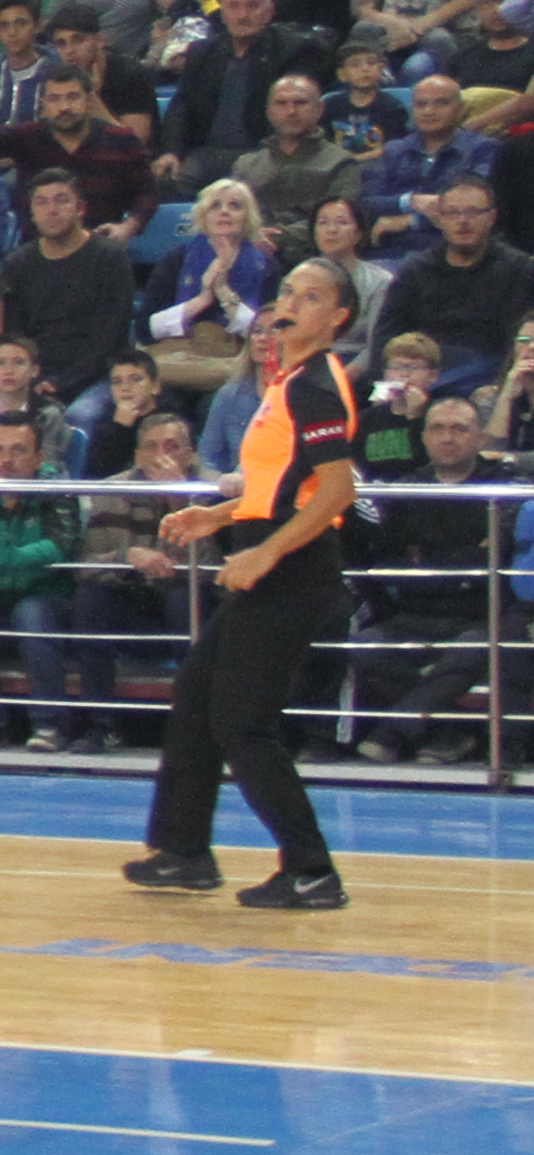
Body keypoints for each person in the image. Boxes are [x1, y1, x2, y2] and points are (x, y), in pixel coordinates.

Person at [124, 259, 363, 910]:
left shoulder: (314, 385)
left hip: (295, 570)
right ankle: (183, 852)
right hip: (275, 556)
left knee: (242, 721)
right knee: (198, 692)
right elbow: (282, 488)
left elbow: (335, 493)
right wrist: (219, 515)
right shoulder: (284, 383)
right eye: (288, 291)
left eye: (311, 297)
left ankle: (312, 869)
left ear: (337, 317)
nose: (290, 304)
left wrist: (262, 555)